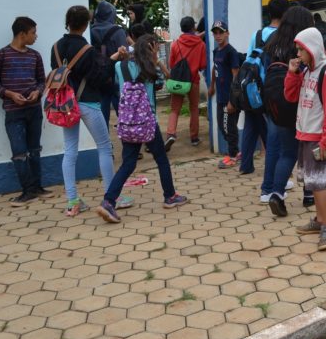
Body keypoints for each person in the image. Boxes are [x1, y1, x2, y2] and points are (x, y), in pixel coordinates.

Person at [50, 6, 133, 216]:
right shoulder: (87, 49)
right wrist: (114, 58)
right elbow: (100, 73)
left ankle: (72, 201)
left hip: (65, 105)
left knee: (70, 151)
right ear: (86, 24)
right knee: (104, 147)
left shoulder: (56, 48)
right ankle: (111, 197)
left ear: (67, 22)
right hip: (87, 102)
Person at [97, 34, 188, 223]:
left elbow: (107, 70)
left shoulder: (119, 66)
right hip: (148, 122)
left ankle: (108, 201)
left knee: (128, 164)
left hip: (128, 122)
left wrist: (119, 55)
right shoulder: (151, 68)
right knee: (161, 159)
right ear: (152, 49)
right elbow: (164, 82)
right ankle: (170, 196)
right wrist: (156, 60)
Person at [0, 16, 52, 206]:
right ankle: (27, 191)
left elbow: (42, 81)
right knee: (19, 153)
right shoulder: (1, 55)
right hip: (13, 112)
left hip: (34, 110)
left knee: (35, 150)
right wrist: (9, 94)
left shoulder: (35, 56)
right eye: (33, 32)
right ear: (22, 34)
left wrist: (37, 92)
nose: (36, 36)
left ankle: (38, 188)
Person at [286, 27, 326, 251]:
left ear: (313, 49)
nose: (298, 54)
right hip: (306, 134)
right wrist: (292, 73)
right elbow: (289, 96)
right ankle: (319, 220)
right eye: (298, 49)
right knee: (311, 180)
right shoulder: (307, 72)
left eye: (301, 49)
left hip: (319, 139)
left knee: (318, 184)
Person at [260, 6, 314, 212]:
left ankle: (275, 192)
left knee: (287, 152)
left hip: (275, 105)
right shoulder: (300, 47)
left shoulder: (272, 44)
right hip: (300, 106)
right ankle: (309, 194)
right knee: (308, 151)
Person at [237, 0, 289, 175]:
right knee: (274, 130)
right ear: (285, 13)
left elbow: (249, 60)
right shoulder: (282, 37)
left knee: (251, 124)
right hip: (271, 89)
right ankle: (278, 167)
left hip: (252, 88)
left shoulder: (257, 34)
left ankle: (245, 165)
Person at [165, 16, 207, 149]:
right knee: (194, 109)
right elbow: (203, 65)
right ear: (193, 27)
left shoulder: (175, 44)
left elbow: (172, 64)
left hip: (178, 81)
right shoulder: (201, 44)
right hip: (193, 81)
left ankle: (171, 134)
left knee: (174, 109)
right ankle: (194, 138)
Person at [207, 20, 241, 169]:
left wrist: (233, 100)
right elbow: (215, 69)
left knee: (229, 127)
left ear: (227, 33)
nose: (218, 35)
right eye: (215, 32)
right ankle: (236, 152)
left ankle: (233, 155)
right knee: (222, 126)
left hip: (229, 97)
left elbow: (236, 75)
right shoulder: (217, 52)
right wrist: (211, 85)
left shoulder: (231, 52)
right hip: (220, 95)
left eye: (221, 32)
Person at [90, 0, 129, 125]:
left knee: (101, 112)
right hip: (116, 77)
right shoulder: (118, 31)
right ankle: (128, 139)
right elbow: (125, 54)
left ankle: (105, 143)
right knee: (123, 111)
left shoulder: (89, 31)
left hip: (97, 77)